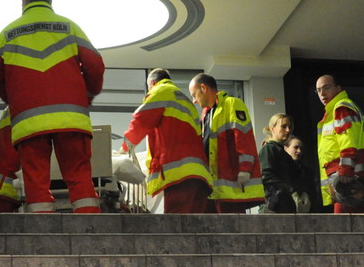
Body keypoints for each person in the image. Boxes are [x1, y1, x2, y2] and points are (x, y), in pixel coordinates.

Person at [0, 0, 105, 213]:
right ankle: (93, 229)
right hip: (71, 117)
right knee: (80, 177)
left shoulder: (6, 34)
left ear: (23, 4)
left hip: (29, 121)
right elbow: (95, 65)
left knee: (36, 184)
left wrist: (17, 102)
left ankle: (42, 238)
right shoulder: (70, 26)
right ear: (50, 2)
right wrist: (87, 95)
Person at [121, 68, 213, 213]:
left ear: (152, 83)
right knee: (197, 227)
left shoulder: (161, 91)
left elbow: (141, 120)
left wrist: (125, 148)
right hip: (199, 175)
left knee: (176, 224)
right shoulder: (186, 101)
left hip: (179, 175)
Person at [188, 72, 264, 213]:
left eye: (194, 95)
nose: (194, 101)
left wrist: (245, 168)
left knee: (233, 225)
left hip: (231, 182)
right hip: (213, 186)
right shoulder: (206, 113)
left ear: (203, 88)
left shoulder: (232, 104)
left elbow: (243, 137)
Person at [315, 74, 364, 213]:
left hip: (350, 180)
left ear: (338, 88)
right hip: (350, 180)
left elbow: (348, 140)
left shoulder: (341, 108)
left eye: (326, 87)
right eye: (318, 90)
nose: (322, 93)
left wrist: (346, 169)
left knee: (346, 229)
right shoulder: (333, 112)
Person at [258, 113, 309, 213]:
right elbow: (267, 176)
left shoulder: (282, 153)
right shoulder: (269, 149)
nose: (288, 130)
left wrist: (301, 193)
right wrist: (291, 191)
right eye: (283, 126)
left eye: (290, 127)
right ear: (272, 129)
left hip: (284, 206)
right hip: (273, 207)